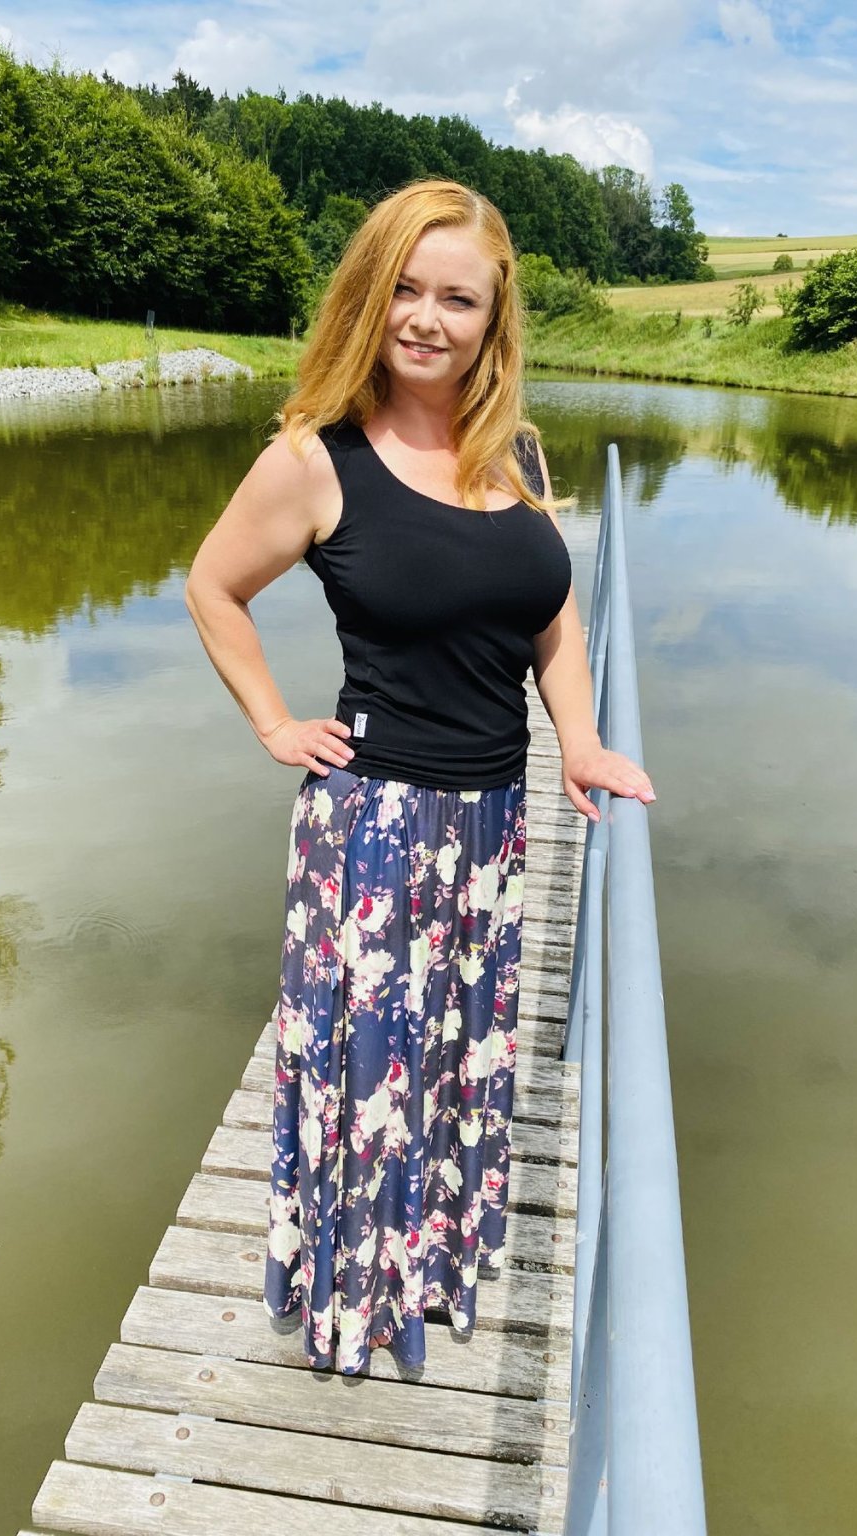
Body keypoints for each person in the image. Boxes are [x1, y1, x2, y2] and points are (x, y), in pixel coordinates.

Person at [184, 177, 655, 1378]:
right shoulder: (315, 458)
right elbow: (213, 586)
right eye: (406, 288)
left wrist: (580, 742)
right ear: (369, 295)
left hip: (492, 826)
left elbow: (550, 622)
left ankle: (429, 1268)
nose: (428, 319)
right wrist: (272, 721)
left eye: (458, 298)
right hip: (377, 831)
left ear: (493, 318)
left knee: (451, 1060)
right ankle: (351, 1302)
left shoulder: (515, 451)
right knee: (369, 1078)